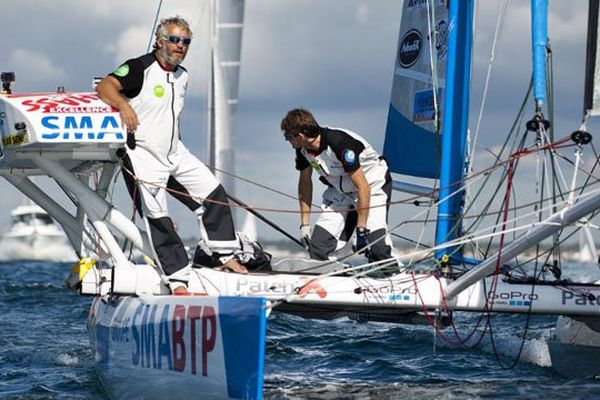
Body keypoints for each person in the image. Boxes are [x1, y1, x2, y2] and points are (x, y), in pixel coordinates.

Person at [97, 16, 247, 295]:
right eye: (175, 40)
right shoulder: (139, 67)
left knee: (213, 193)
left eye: (186, 42)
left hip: (176, 152)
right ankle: (177, 279)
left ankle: (223, 256)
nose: (180, 46)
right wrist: (123, 106)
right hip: (142, 154)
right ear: (160, 41)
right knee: (159, 217)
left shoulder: (183, 75)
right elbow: (105, 86)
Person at [281, 108, 394, 263]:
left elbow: (363, 187)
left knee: (376, 247)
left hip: (372, 187)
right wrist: (305, 225)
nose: (288, 142)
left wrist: (361, 230)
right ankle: (328, 279)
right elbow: (305, 183)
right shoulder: (302, 150)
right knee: (318, 247)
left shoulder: (340, 144)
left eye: (288, 137)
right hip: (342, 193)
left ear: (300, 136)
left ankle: (394, 275)